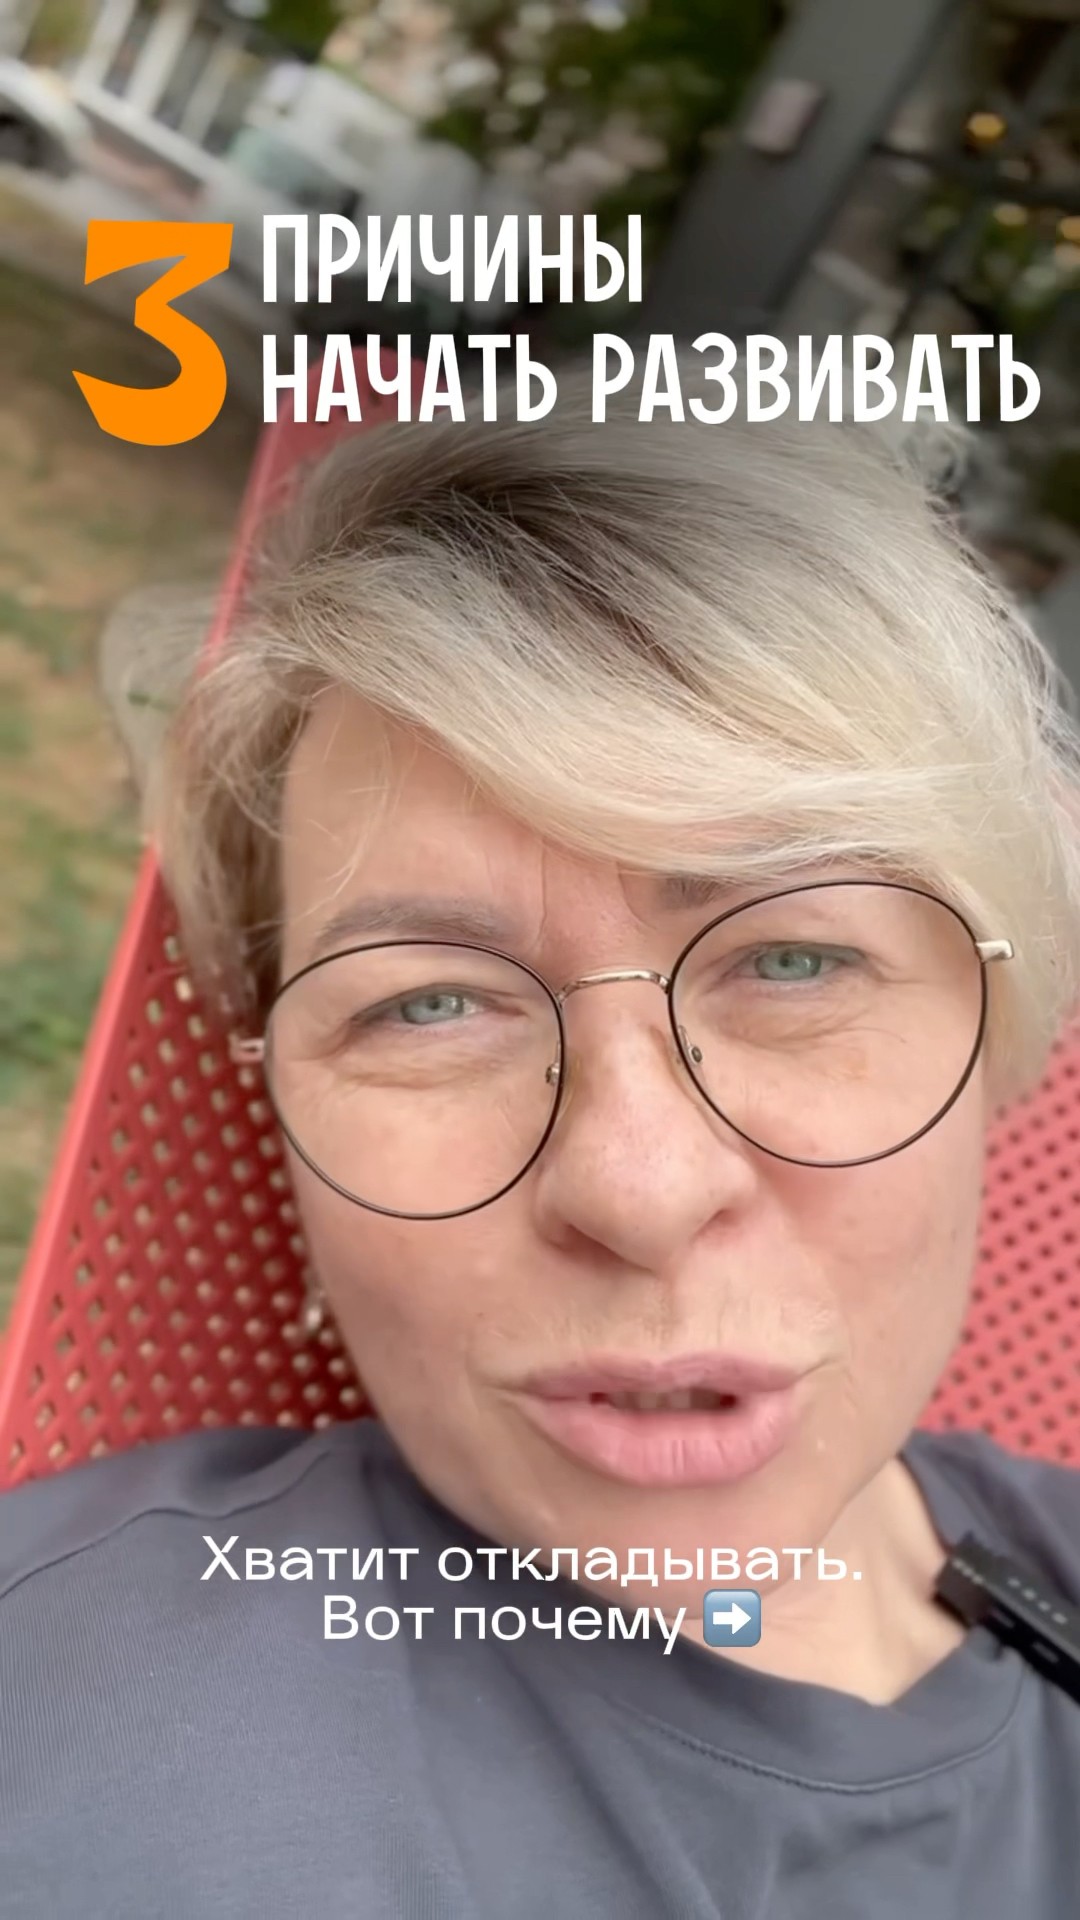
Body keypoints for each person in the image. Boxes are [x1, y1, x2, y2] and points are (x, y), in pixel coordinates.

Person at [2, 368, 1080, 1920]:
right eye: (429, 1003)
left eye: (794, 961)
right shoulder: (83, 1731)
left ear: (1001, 1039)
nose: (641, 1187)